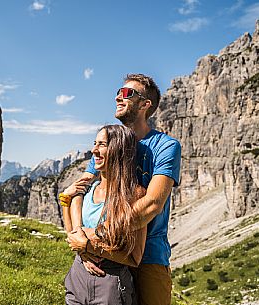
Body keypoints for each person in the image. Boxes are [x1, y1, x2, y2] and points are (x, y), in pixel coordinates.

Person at [64, 74, 181, 305]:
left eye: (128, 93)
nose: (119, 96)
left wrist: (96, 238)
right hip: (106, 255)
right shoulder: (112, 144)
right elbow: (78, 191)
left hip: (148, 256)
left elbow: (152, 203)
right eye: (119, 91)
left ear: (145, 104)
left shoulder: (166, 147)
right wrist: (83, 245)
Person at [61, 124, 147, 305]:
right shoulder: (87, 189)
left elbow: (134, 257)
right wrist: (66, 201)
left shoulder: (135, 194)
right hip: (78, 274)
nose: (94, 150)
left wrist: (90, 247)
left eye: (102, 144)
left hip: (110, 282)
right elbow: (73, 236)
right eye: (95, 143)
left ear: (119, 150)